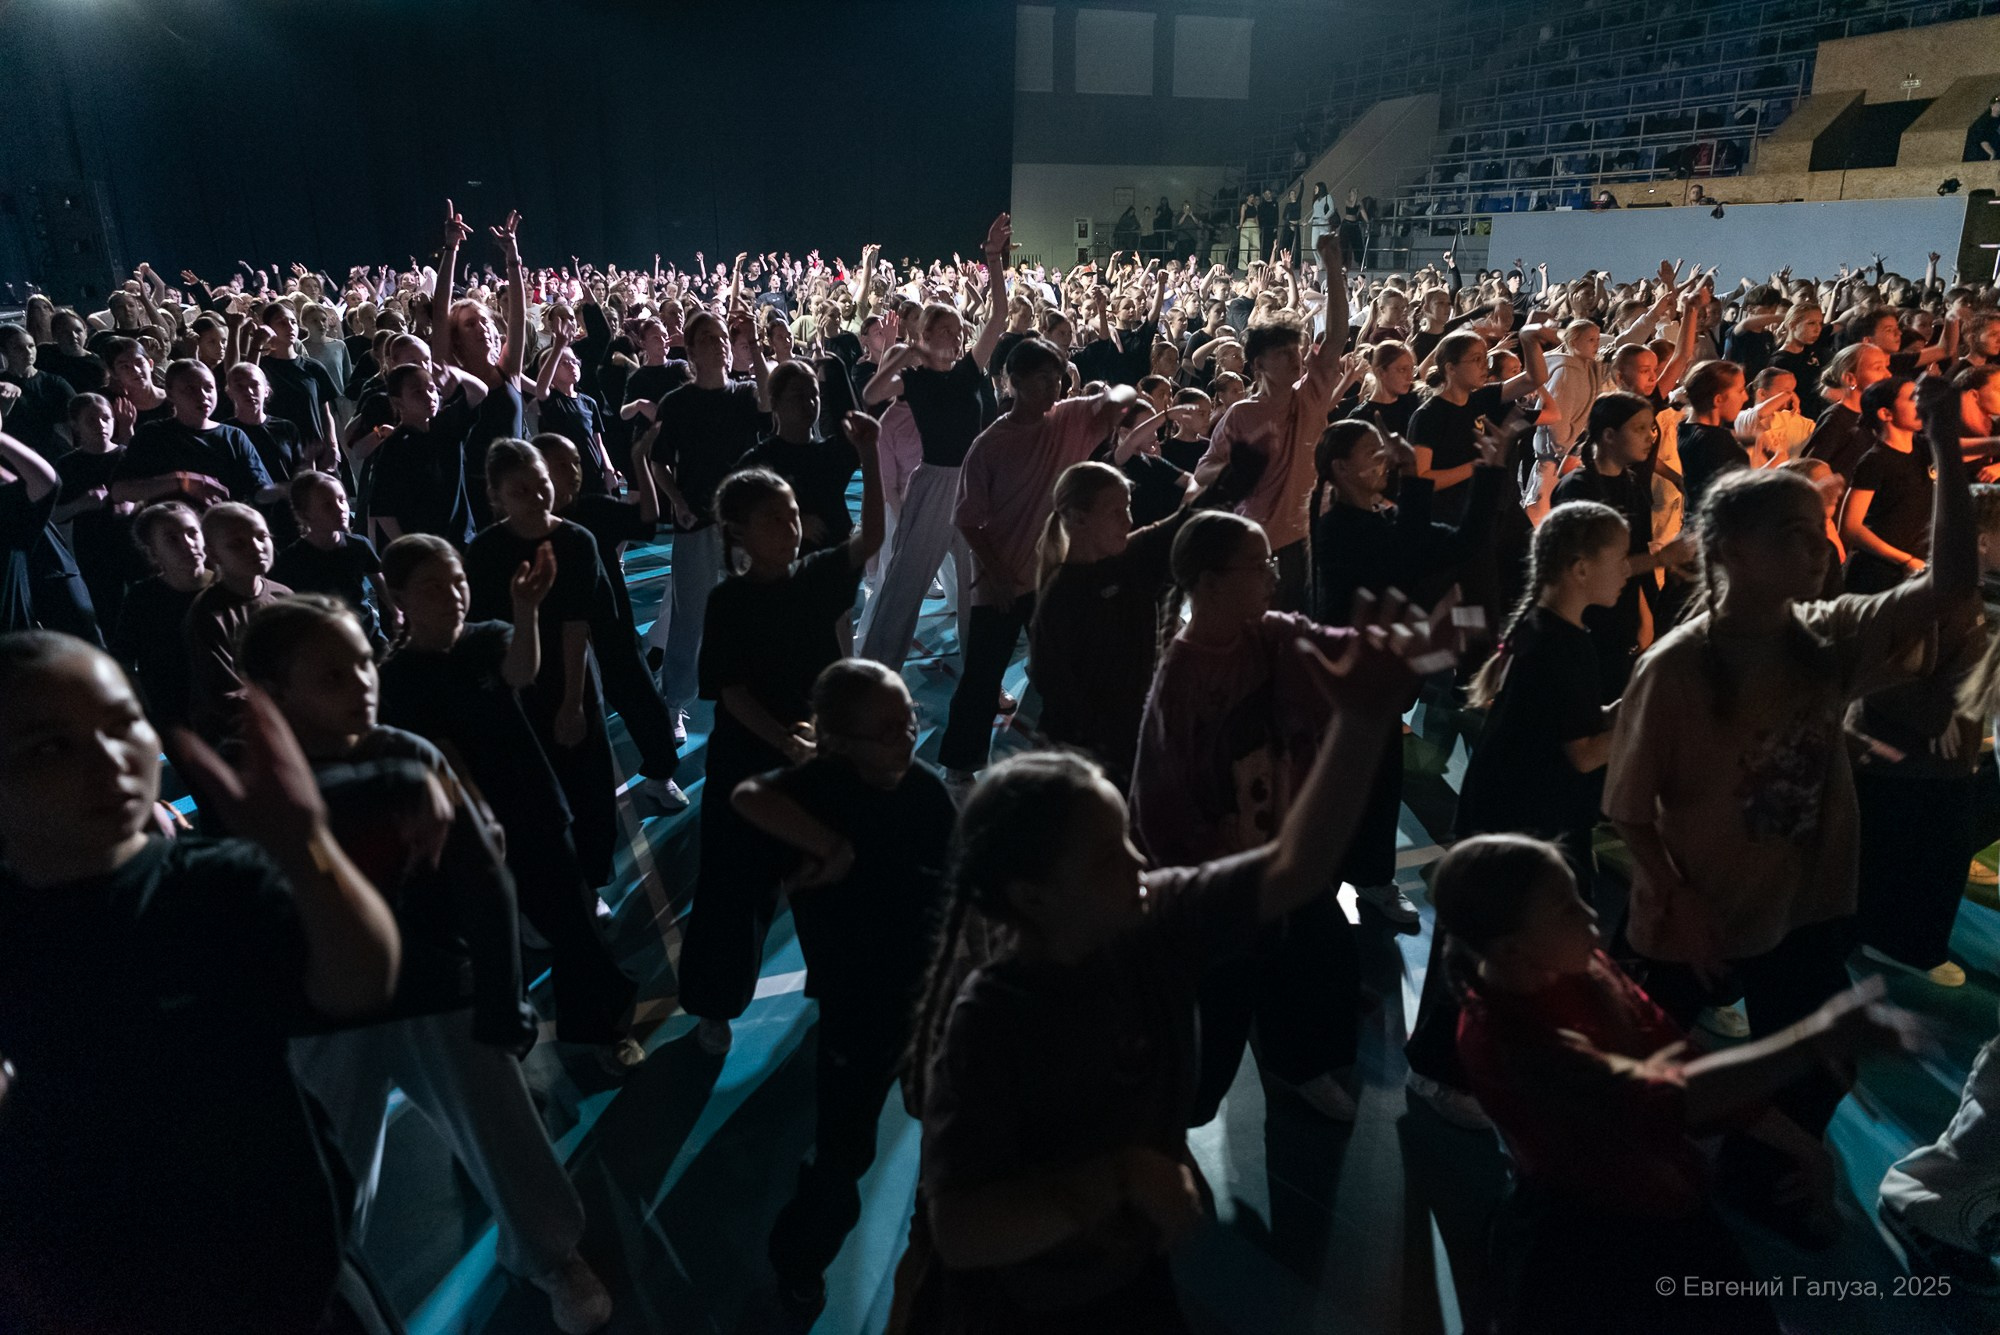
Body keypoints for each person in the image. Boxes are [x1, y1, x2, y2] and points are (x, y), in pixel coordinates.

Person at [905, 590, 1451, 1332]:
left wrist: (1361, 720)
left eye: (1127, 837)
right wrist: (1117, 1179)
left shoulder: (1150, 918)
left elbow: (1292, 866)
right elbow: (965, 1229)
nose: (1138, 859)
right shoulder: (993, 1020)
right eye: (1106, 856)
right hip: (1028, 1310)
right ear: (1032, 896)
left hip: (1134, 1280)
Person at [1604, 379, 1973, 1241]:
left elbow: (1951, 582)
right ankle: (1616, 1184)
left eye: (1819, 533)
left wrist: (1949, 448)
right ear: (1726, 548)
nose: (1817, 550)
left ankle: (1759, 1178)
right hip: (1696, 902)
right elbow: (1626, 807)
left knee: (1820, 1063)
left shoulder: (1828, 636)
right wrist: (1677, 894)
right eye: (1794, 535)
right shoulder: (1680, 665)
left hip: (1800, 902)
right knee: (1642, 1060)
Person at [0, 630, 404, 1334]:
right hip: (114, 1293)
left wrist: (307, 847)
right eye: (49, 747)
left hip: (293, 1263)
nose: (109, 761)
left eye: (123, 722)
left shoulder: (212, 881)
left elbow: (359, 981)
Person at [237, 595, 613, 1335]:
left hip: (434, 987)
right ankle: (323, 1288)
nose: (361, 685)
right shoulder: (252, 781)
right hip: (324, 1011)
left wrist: (504, 995)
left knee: (506, 1135)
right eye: (331, 676)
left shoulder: (410, 754)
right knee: (323, 1183)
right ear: (276, 693)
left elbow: (484, 882)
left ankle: (547, 1252)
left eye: (361, 664)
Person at [1434, 834, 1921, 1335]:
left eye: (1579, 894)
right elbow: (1664, 1097)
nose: (1591, 914)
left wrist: (1803, 1147)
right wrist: (1812, 1041)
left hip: (1661, 1200)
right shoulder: (1510, 1044)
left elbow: (1670, 1049)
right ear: (1515, 950)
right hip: (1588, 1240)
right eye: (1565, 909)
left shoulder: (1580, 968)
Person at [731, 659, 955, 1320]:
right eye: (885, 730)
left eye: (909, 719)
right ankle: (796, 1259)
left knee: (947, 1127)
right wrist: (828, 845)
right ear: (838, 741)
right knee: (843, 1157)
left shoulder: (924, 790)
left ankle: (935, 1248)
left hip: (930, 991)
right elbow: (748, 796)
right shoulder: (821, 791)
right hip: (859, 1009)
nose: (906, 736)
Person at [1403, 502, 1630, 1128]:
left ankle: (1470, 1062)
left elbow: (1574, 720)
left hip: (1510, 807)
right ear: (1580, 568)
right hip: (1519, 814)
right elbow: (1584, 753)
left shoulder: (1546, 627)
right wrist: (1646, 712)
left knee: (1489, 940)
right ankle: (1436, 1072)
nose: (1625, 573)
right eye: (1617, 560)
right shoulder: (1564, 645)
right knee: (1479, 941)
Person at [378, 533, 640, 1057]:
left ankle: (598, 1032)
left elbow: (521, 670)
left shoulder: (485, 637)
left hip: (533, 805)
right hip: (462, 830)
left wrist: (525, 611)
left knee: (574, 928)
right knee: (490, 951)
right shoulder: (394, 680)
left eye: (458, 582)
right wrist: (475, 813)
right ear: (397, 598)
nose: (453, 594)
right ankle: (507, 1051)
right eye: (433, 586)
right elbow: (439, 754)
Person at [679, 411, 883, 1056]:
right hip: (749, 765)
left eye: (794, 515)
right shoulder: (729, 602)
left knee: (830, 878)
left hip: (811, 758)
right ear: (738, 532)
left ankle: (842, 988)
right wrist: (784, 740)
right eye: (775, 519)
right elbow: (730, 693)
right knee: (732, 893)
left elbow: (872, 534)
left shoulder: (817, 578)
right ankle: (714, 1005)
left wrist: (871, 454)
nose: (792, 528)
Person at [940, 340, 1135, 780]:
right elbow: (969, 521)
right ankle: (959, 764)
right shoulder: (989, 445)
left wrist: (1111, 398)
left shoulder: (1067, 419)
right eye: (1043, 378)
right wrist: (999, 573)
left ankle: (1075, 754)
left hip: (1054, 575)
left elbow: (1124, 397)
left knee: (1070, 668)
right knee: (982, 677)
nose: (1054, 386)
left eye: (1059, 376)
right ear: (1014, 382)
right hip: (1002, 581)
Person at [858, 214, 1010, 674]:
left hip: (971, 485)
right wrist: (901, 354)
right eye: (944, 330)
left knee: (976, 588)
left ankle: (980, 675)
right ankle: (877, 670)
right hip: (933, 484)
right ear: (925, 337)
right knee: (905, 581)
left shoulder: (969, 371)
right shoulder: (915, 379)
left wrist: (993, 260)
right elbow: (870, 396)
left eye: (957, 331)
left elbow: (1000, 316)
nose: (955, 336)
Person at [1192, 231, 1351, 612]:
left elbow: (1337, 337)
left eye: (1295, 350)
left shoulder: (1310, 395)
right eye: (1282, 353)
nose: (1295, 359)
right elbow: (1204, 473)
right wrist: (1243, 466)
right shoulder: (1241, 414)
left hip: (1312, 534)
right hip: (1260, 542)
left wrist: (1332, 268)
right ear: (1258, 364)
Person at [530, 429, 686, 811]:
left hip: (612, 628)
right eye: (562, 464)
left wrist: (638, 463)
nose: (573, 471)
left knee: (646, 706)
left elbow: (647, 521)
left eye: (576, 463)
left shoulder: (593, 509)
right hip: (557, 641)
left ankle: (659, 776)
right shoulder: (529, 528)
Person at [1028, 460, 1200, 788]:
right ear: (1079, 518)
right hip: (1088, 758)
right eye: (1116, 512)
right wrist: (1109, 749)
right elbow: (1061, 693)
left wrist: (1239, 474)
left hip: (1131, 738)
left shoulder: (1128, 564)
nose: (1129, 520)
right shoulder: (1061, 597)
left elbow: (1184, 522)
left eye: (1128, 508)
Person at [642, 308, 772, 738]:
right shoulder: (678, 403)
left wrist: (754, 343)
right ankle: (675, 701)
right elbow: (659, 463)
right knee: (689, 619)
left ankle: (752, 696)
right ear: (692, 350)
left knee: (749, 616)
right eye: (707, 339)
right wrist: (676, 502)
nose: (717, 344)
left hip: (739, 522)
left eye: (722, 337)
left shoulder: (744, 393)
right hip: (697, 521)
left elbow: (769, 405)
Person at [1549, 393, 1695, 696]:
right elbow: (1583, 570)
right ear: (1609, 435)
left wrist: (1643, 619)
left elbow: (1633, 559)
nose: (1650, 437)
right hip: (1581, 626)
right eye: (1639, 429)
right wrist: (1660, 559)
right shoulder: (1578, 488)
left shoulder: (1630, 486)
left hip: (1619, 623)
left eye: (1651, 428)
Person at [186, 501, 292, 742]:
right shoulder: (209, 614)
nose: (256, 548)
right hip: (240, 733)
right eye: (237, 544)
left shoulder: (283, 595)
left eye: (262, 536)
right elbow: (224, 694)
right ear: (213, 555)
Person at [110, 500, 209, 731]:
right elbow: (123, 659)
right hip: (175, 718)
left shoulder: (226, 586)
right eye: (171, 539)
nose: (188, 544)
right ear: (154, 552)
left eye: (192, 533)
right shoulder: (142, 598)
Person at [272, 471, 391, 646]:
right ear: (305, 514)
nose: (340, 508)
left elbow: (379, 581)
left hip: (366, 633)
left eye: (342, 500)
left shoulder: (358, 545)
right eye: (327, 505)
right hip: (323, 640)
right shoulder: (293, 559)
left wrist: (396, 611)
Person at [1840, 377, 1932, 595]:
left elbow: (1965, 449)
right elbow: (1850, 527)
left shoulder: (1923, 448)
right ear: (1885, 414)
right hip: (1879, 574)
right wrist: (1905, 560)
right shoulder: (1875, 460)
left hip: (1915, 570)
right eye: (1913, 399)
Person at [1964, 92, 2000, 162]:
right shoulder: (1984, 121)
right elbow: (1983, 140)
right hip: (1983, 158)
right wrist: (1992, 153)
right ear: (1992, 106)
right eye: (1998, 104)